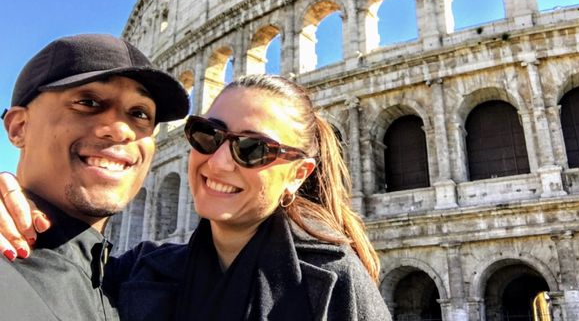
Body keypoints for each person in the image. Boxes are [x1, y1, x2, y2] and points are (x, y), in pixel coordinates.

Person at [2, 74, 391, 320]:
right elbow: (66, 268)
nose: (218, 163)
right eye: (208, 134)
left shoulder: (332, 280)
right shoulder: (142, 270)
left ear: (297, 174)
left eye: (253, 149)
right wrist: (13, 201)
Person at [0, 33, 189, 320]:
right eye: (88, 102)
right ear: (19, 127)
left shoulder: (139, 284)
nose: (121, 129)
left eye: (139, 113)